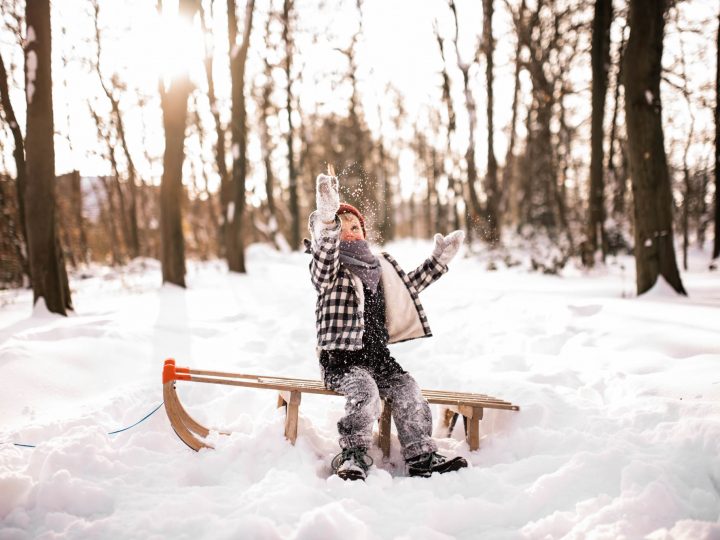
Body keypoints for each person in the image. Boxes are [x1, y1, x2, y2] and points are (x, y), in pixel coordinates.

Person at [304, 172, 469, 481]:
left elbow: (409, 286)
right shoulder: (329, 271)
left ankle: (421, 454)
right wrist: (327, 221)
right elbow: (322, 258)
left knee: (409, 390)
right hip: (341, 361)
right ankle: (353, 454)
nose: (349, 232)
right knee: (365, 394)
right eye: (341, 228)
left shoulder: (378, 270)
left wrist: (438, 261)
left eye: (355, 227)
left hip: (378, 358)